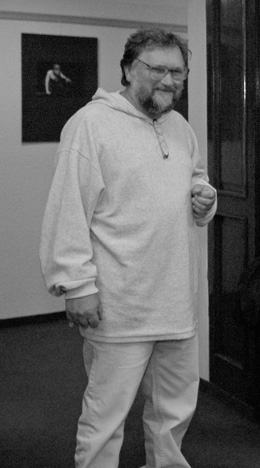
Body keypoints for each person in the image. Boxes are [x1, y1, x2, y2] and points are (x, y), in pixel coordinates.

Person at [39, 28, 217, 468]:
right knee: (105, 419)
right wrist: (76, 285)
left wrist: (204, 198)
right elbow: (67, 209)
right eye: (156, 69)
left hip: (176, 302)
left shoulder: (180, 127)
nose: (168, 80)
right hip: (120, 305)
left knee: (174, 413)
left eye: (178, 72)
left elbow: (195, 180)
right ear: (127, 68)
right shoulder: (90, 125)